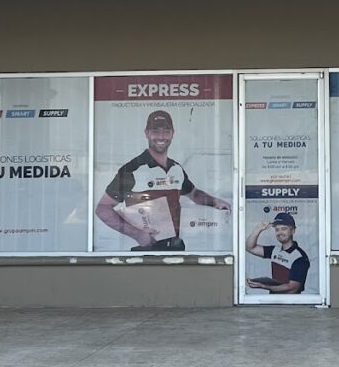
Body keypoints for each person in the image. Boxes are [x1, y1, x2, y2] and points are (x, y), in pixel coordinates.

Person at [95, 109, 230, 251]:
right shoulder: (132, 170)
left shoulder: (176, 169)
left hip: (174, 249)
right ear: (147, 133)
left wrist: (216, 202)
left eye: (166, 131)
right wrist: (137, 234)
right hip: (142, 251)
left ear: (172, 133)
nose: (161, 136)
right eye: (155, 131)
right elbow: (103, 209)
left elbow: (194, 194)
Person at [245, 212, 310, 294]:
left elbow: (293, 288)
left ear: (292, 231)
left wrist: (264, 286)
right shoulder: (275, 250)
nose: (280, 232)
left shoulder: (299, 257)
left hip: (291, 301)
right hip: (274, 299)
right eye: (277, 230)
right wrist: (258, 229)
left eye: (284, 229)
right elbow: (250, 247)